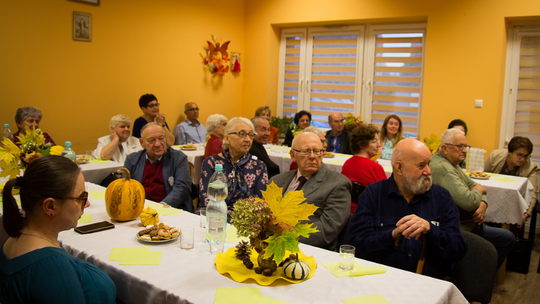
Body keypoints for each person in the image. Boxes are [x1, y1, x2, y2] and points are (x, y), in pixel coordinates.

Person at [0, 155, 116, 303]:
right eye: (81, 198)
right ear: (50, 206)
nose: (86, 204)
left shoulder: (12, 241)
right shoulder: (51, 267)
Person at [349, 139, 467, 279]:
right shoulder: (374, 195)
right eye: (421, 165)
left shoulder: (441, 197)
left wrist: (430, 230)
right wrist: (393, 235)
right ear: (399, 168)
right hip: (382, 279)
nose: (428, 171)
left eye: (428, 164)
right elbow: (356, 245)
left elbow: (458, 250)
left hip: (429, 284)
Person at [430, 128, 516, 268]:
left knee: (504, 237)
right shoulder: (443, 168)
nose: (464, 150)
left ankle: (480, 274)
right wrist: (478, 193)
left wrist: (482, 203)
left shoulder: (452, 163)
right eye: (460, 146)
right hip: (459, 227)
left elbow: (477, 186)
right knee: (508, 239)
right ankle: (481, 277)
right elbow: (469, 201)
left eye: (466, 146)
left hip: (469, 222)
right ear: (445, 148)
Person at [271, 132, 351, 251]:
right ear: (293, 155)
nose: (312, 156)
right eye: (306, 151)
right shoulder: (277, 181)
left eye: (317, 151)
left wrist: (286, 233)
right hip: (269, 245)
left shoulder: (338, 184)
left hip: (309, 251)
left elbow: (326, 231)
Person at [199, 117, 268, 219]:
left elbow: (260, 205)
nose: (248, 139)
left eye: (250, 135)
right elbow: (206, 201)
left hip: (246, 222)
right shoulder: (211, 163)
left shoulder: (259, 166)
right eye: (242, 134)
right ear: (227, 138)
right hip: (214, 218)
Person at [124, 123, 193, 212]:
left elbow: (182, 189)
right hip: (140, 210)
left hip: (169, 209)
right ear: (142, 142)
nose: (157, 144)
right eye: (151, 140)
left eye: (161, 138)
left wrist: (160, 207)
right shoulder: (132, 160)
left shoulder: (178, 158)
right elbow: (126, 189)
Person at [484, 136, 538, 227]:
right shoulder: (495, 156)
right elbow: (482, 176)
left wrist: (526, 215)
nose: (523, 159)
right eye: (519, 155)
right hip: (490, 199)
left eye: (526, 156)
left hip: (513, 205)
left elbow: (533, 193)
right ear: (510, 152)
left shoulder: (531, 167)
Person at [341, 123, 387, 213]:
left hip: (347, 212)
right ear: (362, 145)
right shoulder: (375, 167)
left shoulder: (347, 163)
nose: (378, 145)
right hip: (368, 211)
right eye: (374, 142)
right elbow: (386, 195)